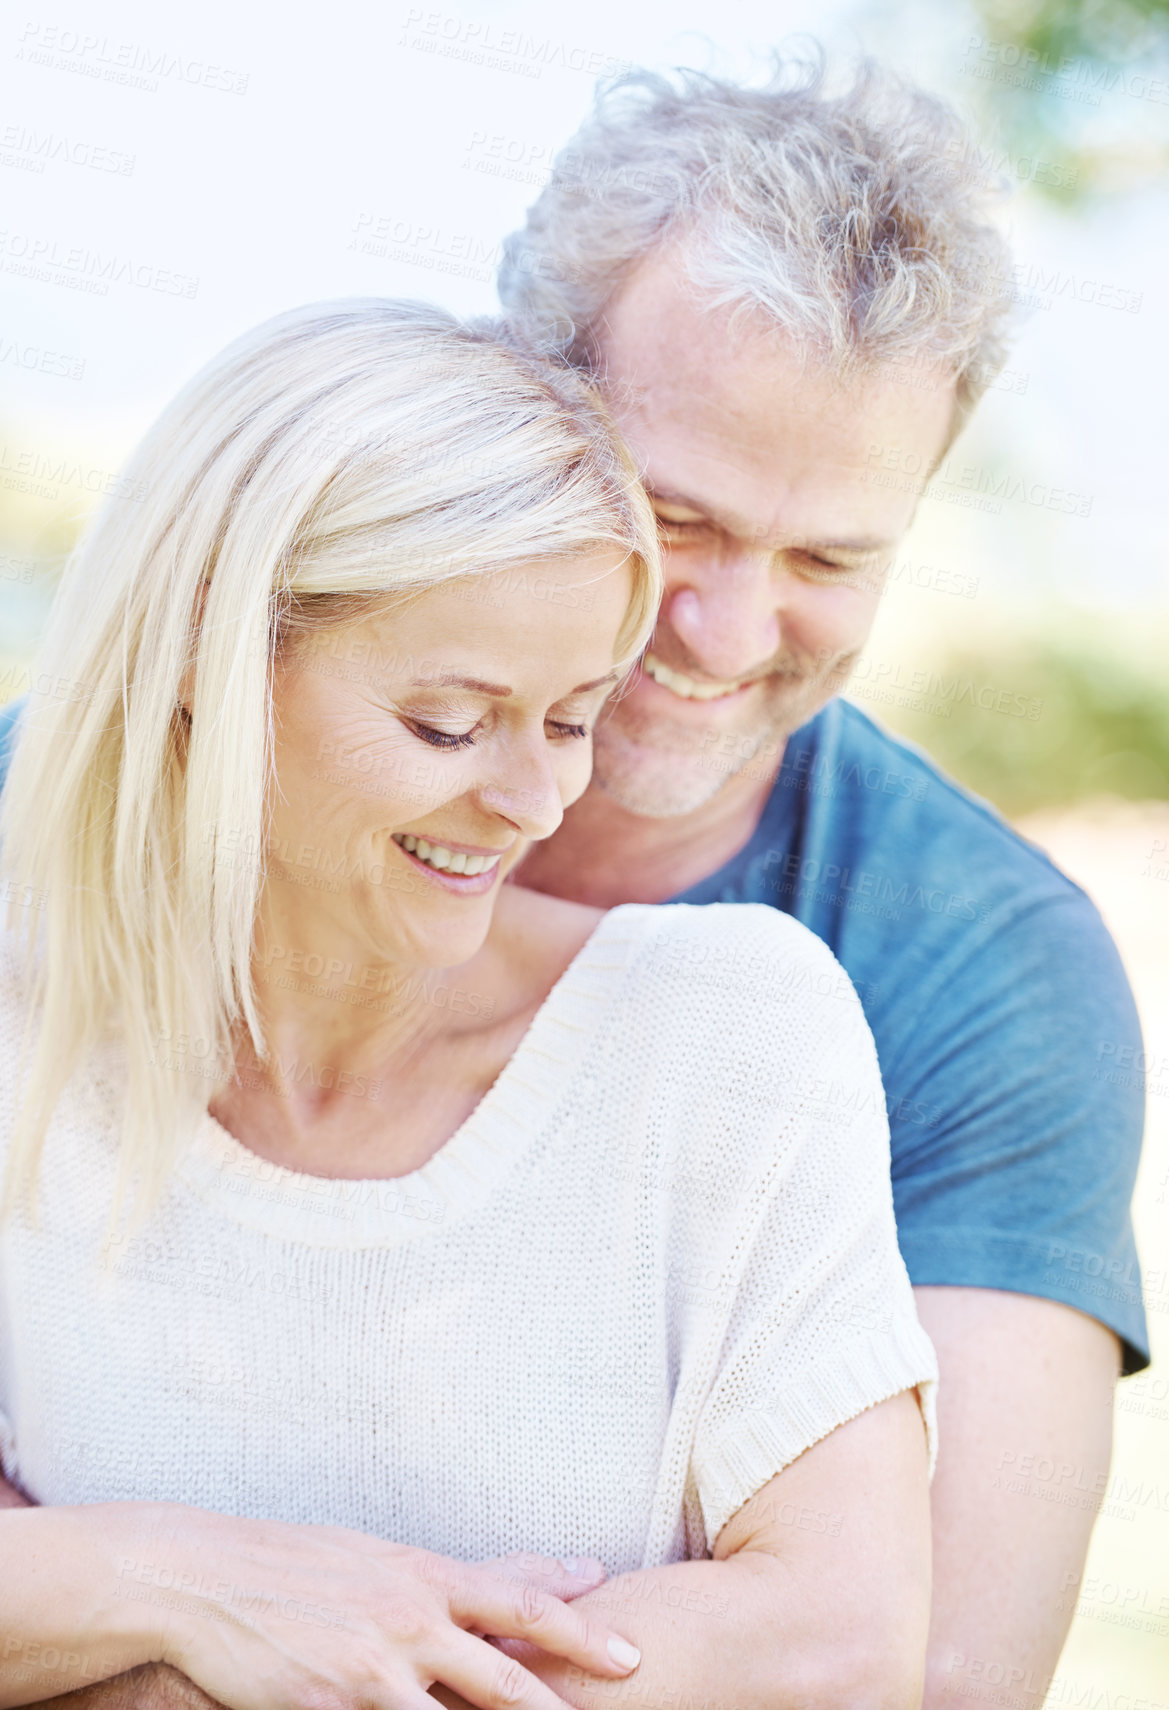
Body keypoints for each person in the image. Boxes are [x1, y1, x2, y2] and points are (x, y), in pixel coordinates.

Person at [0, 300, 938, 1710]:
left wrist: (148, 1671)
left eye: (570, 717)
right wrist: (176, 1573)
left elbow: (837, 1642)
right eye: (448, 721)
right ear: (204, 659)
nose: (532, 799)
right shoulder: (28, 1021)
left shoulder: (729, 1029)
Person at [495, 52, 1148, 1708]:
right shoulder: (96, 790)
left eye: (825, 559)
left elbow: (935, 1673)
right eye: (671, 518)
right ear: (515, 401)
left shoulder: (979, 963)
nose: (720, 629)